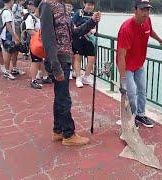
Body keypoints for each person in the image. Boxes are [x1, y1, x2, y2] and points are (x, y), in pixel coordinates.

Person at [39, 0, 101, 145]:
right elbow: (47, 38)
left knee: (60, 97)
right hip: (57, 60)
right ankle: (68, 134)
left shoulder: (63, 7)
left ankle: (58, 131)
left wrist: (91, 21)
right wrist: (55, 67)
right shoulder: (47, 5)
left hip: (65, 59)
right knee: (64, 98)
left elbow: (74, 32)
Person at [117, 0, 162, 128]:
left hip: (139, 64)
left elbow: (150, 31)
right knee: (131, 93)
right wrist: (122, 79)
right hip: (127, 66)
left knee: (142, 90)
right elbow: (121, 56)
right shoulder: (126, 29)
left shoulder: (147, 21)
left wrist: (160, 40)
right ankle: (131, 116)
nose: (146, 13)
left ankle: (140, 114)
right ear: (135, 10)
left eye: (148, 10)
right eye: (142, 9)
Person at [24, 0, 52, 89]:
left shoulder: (42, 18)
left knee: (41, 60)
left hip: (42, 44)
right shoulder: (30, 18)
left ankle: (45, 76)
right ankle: (33, 80)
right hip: (35, 44)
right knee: (35, 61)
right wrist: (40, 35)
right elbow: (29, 30)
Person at [72, 0, 96, 87]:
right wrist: (79, 31)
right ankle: (78, 78)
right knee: (78, 58)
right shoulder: (78, 13)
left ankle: (86, 77)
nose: (90, 6)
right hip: (79, 39)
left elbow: (95, 27)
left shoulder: (93, 15)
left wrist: (93, 31)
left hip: (89, 39)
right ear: (84, 4)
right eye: (89, 4)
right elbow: (73, 25)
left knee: (92, 59)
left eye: (92, 5)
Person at [1, 0, 25, 80]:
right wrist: (14, 36)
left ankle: (14, 68)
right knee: (8, 53)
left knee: (15, 51)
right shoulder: (6, 12)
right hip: (7, 36)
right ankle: (7, 72)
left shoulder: (7, 11)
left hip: (9, 35)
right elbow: (8, 26)